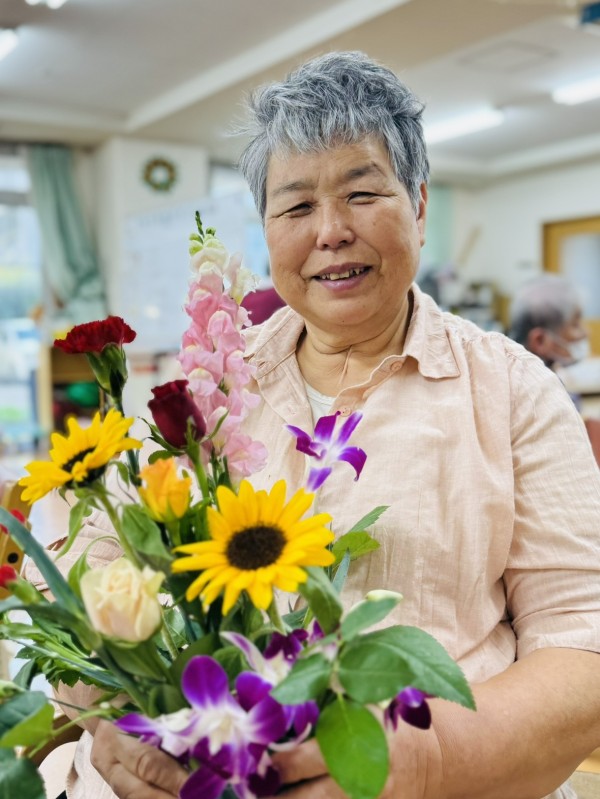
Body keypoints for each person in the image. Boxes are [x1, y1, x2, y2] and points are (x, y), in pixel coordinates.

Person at [34, 51, 600, 799]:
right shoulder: (205, 390)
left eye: (362, 193)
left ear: (419, 206)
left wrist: (426, 760)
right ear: (267, 230)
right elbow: (82, 588)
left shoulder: (515, 391)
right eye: (297, 207)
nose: (331, 231)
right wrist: (119, 722)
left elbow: (584, 644)